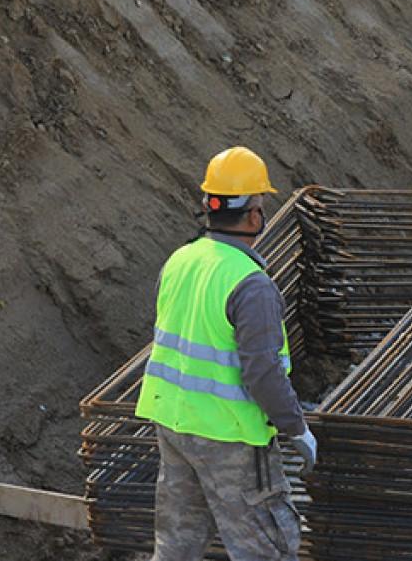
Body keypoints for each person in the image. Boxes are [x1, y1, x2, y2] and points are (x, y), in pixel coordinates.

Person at [135, 146, 317, 561]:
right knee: (264, 547)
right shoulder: (251, 285)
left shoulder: (179, 261)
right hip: (230, 437)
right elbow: (263, 374)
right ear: (254, 215)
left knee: (177, 545)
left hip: (174, 424)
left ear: (209, 206)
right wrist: (296, 428)